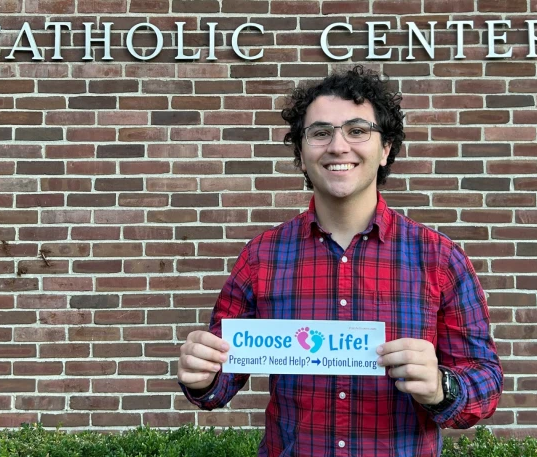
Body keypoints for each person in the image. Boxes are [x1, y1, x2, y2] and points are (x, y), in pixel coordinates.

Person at [177, 65, 503, 456]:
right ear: (300, 153)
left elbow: (485, 381)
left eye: (357, 130)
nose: (338, 146)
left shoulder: (440, 259)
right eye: (319, 133)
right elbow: (218, 379)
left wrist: (440, 386)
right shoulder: (261, 257)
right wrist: (201, 377)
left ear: (385, 149)